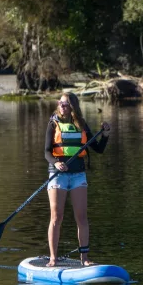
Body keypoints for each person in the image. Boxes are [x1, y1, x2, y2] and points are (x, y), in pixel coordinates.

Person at [44, 92, 111, 267]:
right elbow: (46, 152)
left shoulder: (81, 124)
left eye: (65, 104)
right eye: (60, 103)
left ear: (73, 106)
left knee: (82, 217)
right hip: (57, 175)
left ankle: (85, 258)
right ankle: (53, 258)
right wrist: (56, 163)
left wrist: (105, 134)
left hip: (78, 175)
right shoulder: (53, 123)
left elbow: (98, 149)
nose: (62, 106)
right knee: (56, 217)